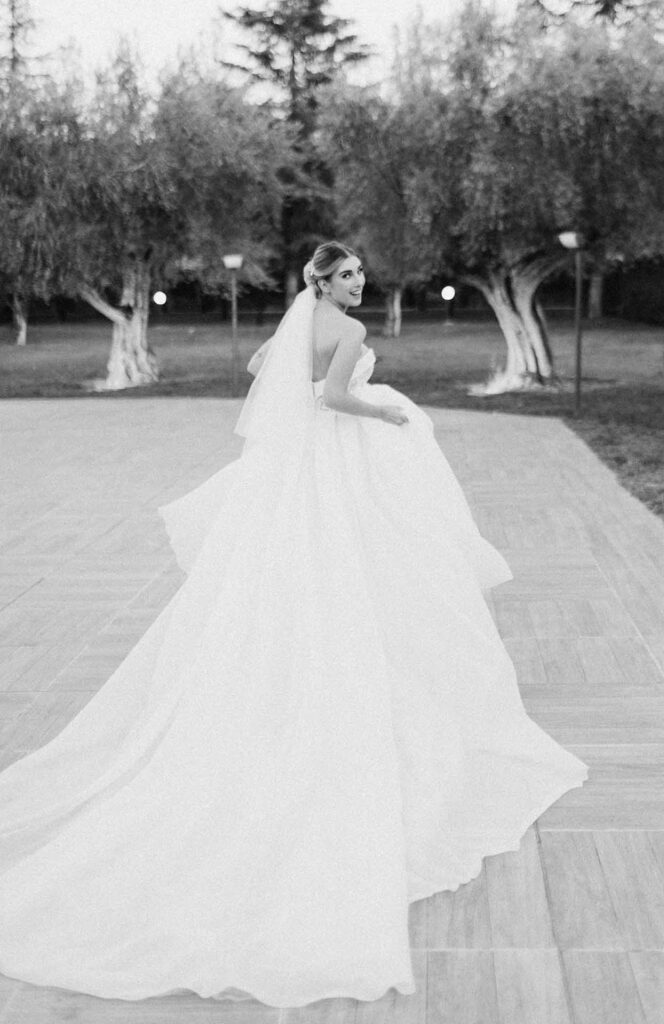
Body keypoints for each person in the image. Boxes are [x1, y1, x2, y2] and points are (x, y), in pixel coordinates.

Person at [0, 240, 588, 1009]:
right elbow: (340, 399)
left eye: (358, 274)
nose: (358, 283)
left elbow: (259, 374)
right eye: (346, 275)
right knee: (354, 559)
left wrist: (301, 383)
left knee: (292, 564)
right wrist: (385, 410)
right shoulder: (345, 332)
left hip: (297, 463)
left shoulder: (300, 321)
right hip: (338, 451)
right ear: (323, 280)